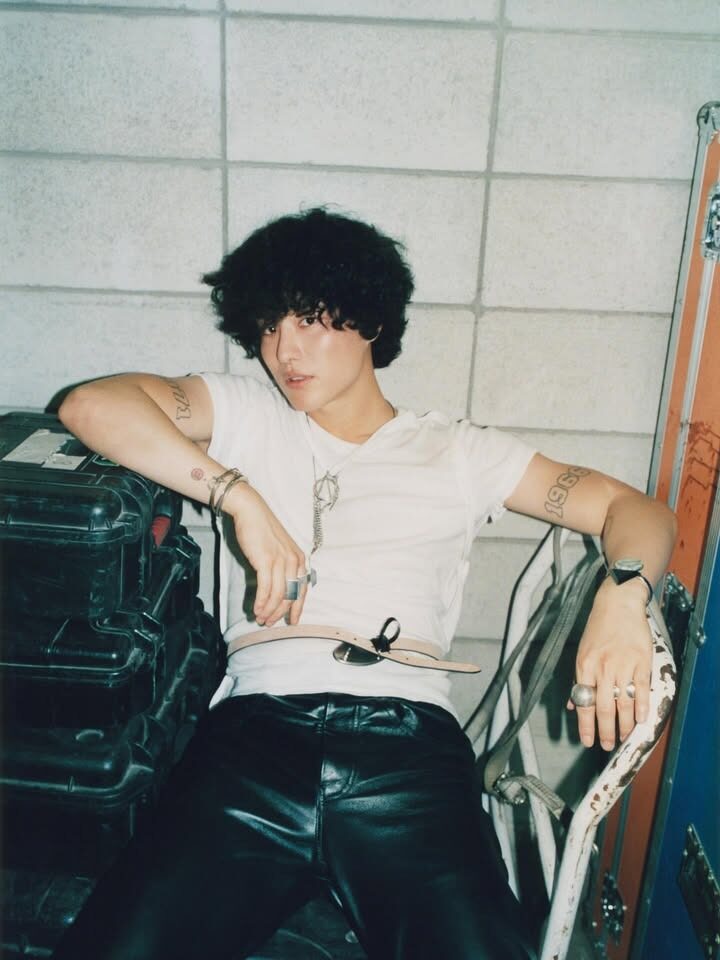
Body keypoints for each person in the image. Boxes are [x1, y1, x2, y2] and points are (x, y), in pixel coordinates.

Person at [53, 207, 676, 960]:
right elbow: (89, 405)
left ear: (371, 320)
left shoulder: (456, 451)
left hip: (406, 747)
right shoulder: (246, 414)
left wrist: (624, 591)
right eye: (269, 325)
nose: (284, 349)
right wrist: (235, 495)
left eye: (310, 319)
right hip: (253, 737)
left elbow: (632, 509)